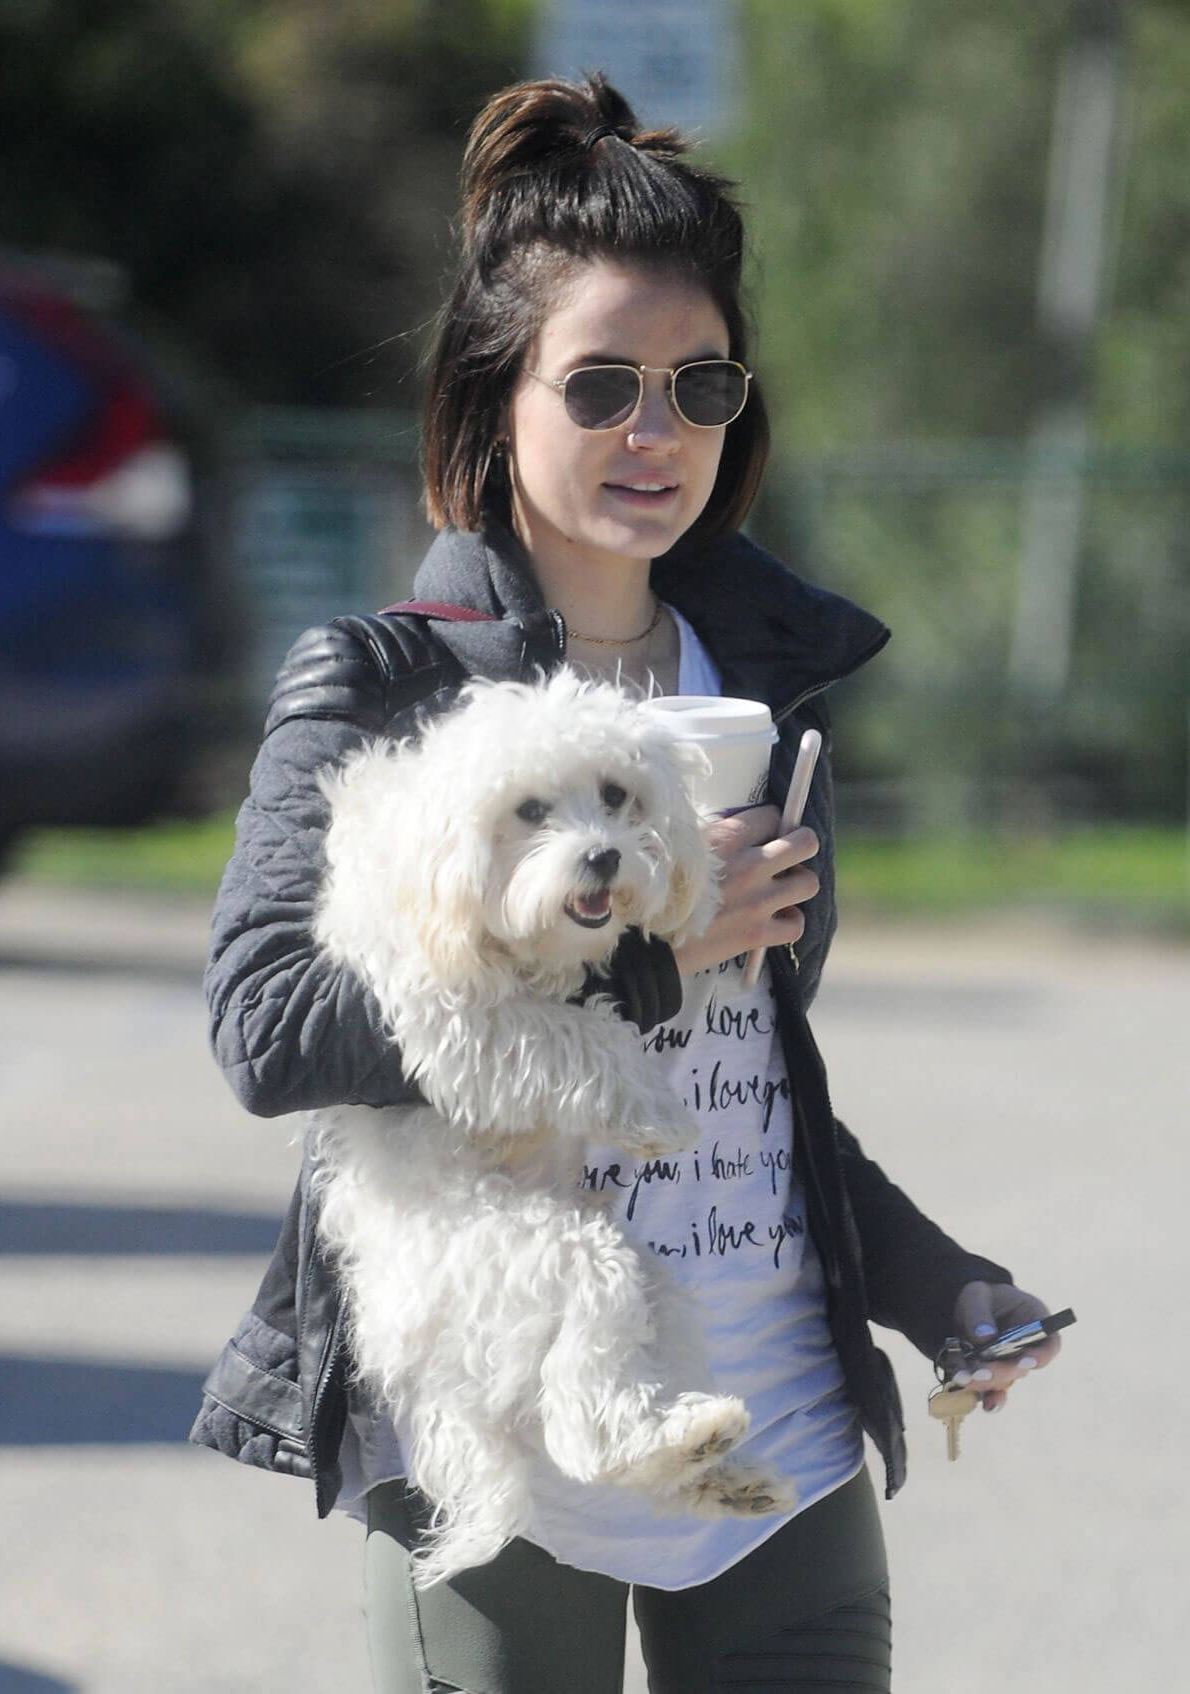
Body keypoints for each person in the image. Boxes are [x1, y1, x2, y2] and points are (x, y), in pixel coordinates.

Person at [191, 72, 1062, 1694]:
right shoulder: (387, 684)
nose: (655, 432)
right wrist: (634, 954)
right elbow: (264, 1022)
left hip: (771, 1429)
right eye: (599, 386)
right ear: (493, 400)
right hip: (507, 1438)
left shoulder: (764, 690)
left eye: (697, 384)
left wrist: (937, 1282)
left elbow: (748, 1082)